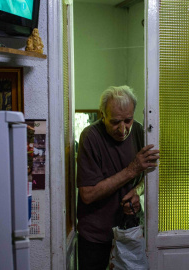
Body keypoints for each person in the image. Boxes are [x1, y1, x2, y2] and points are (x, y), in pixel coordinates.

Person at [76, 85, 159, 270]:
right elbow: (88, 194)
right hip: (95, 237)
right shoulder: (90, 137)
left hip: (129, 232)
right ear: (102, 115)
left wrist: (137, 192)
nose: (123, 129)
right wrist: (132, 170)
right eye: (115, 122)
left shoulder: (139, 131)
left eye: (128, 120)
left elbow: (150, 175)